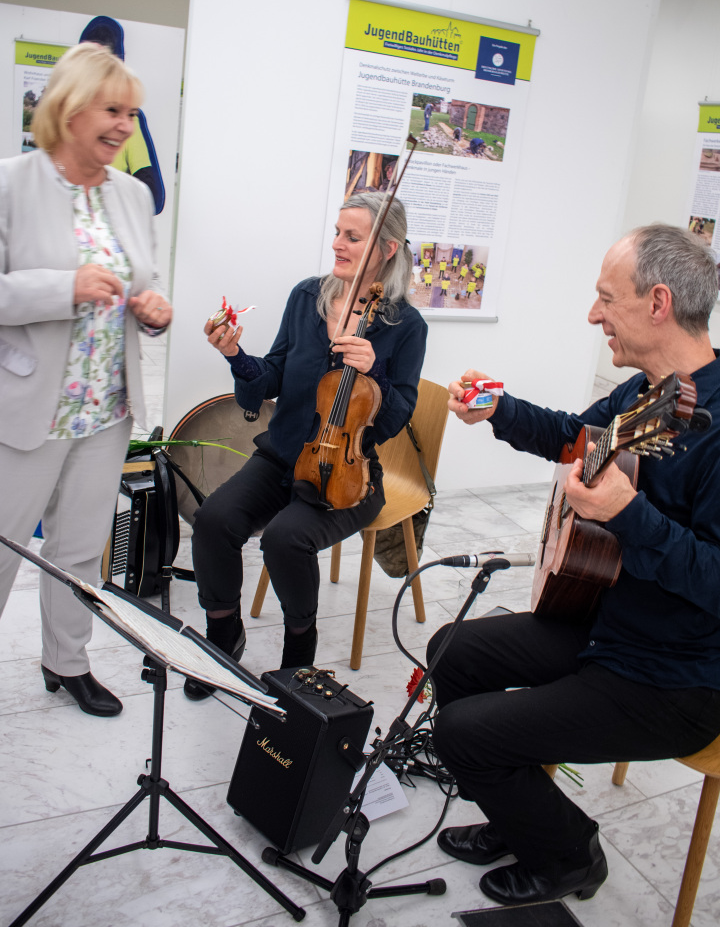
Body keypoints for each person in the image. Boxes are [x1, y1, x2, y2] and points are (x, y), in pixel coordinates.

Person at [429, 224, 720, 907]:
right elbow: (573, 436)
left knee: (462, 734)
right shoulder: (649, 391)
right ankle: (520, 812)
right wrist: (497, 409)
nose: (593, 315)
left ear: (657, 302)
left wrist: (629, 515)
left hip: (676, 677)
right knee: (451, 654)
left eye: (604, 298)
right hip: (609, 626)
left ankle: (568, 857)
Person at [185, 191, 427, 699]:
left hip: (348, 472)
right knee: (213, 520)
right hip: (282, 455)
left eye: (352, 237)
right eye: (337, 231)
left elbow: (398, 416)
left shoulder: (405, 326)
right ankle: (222, 634)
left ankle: (300, 646)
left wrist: (373, 371)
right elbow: (269, 378)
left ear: (386, 249)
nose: (336, 243)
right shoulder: (307, 298)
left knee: (285, 539)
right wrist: (236, 355)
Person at [0, 43, 172, 717]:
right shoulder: (11, 183)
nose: (126, 126)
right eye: (113, 110)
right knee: (6, 547)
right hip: (28, 405)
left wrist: (154, 312)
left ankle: (66, 661)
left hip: (106, 409)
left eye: (132, 114)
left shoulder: (131, 195)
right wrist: (64, 288)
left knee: (78, 552)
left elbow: (144, 286)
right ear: (70, 108)